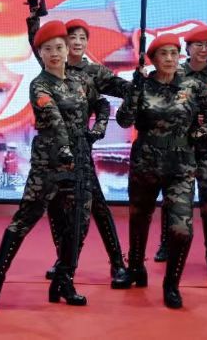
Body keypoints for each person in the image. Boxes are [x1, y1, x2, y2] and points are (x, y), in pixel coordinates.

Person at [0, 20, 106, 312]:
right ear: (41, 53)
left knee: (78, 225)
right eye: (48, 49)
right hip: (48, 164)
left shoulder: (79, 81)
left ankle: (63, 282)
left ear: (67, 49)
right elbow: (54, 119)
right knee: (23, 221)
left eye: (59, 47)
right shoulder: (39, 84)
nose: (55, 53)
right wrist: (64, 148)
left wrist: (98, 128)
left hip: (79, 163)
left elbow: (101, 104)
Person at [31, 17, 132, 289]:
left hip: (80, 150)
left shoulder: (93, 73)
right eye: (72, 37)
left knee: (96, 205)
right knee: (55, 205)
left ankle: (117, 263)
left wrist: (99, 128)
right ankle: (63, 260)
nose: (76, 42)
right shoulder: (53, 66)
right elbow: (36, 40)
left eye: (82, 38)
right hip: (53, 151)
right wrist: (34, 15)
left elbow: (115, 95)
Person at [117, 32, 207, 309]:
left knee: (182, 229)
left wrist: (204, 132)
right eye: (164, 54)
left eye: (174, 53)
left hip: (181, 165)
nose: (170, 58)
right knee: (139, 219)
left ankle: (171, 284)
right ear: (153, 59)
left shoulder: (192, 86)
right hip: (145, 162)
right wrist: (133, 90)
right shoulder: (142, 85)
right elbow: (124, 121)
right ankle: (136, 268)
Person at [152, 26, 207, 277]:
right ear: (187, 48)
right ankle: (166, 244)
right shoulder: (176, 72)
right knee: (171, 198)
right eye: (198, 45)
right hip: (178, 145)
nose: (204, 49)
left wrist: (203, 130)